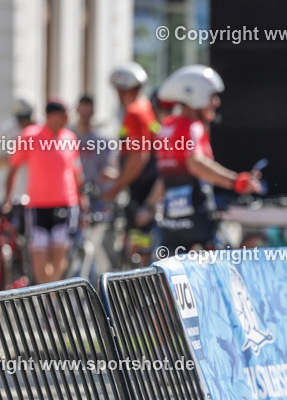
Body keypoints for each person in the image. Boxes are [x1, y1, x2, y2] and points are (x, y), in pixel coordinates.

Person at [155, 65, 262, 253]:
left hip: (171, 229)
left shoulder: (166, 128)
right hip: (198, 231)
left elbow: (165, 177)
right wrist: (235, 181)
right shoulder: (192, 127)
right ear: (196, 95)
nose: (216, 102)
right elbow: (195, 163)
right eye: (212, 96)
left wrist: (148, 207)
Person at [3, 99, 86, 285]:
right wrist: (7, 200)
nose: (66, 120)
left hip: (65, 205)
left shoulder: (70, 138)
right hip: (37, 206)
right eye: (63, 116)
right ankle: (48, 299)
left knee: (58, 260)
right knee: (40, 263)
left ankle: (52, 306)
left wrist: (83, 202)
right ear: (51, 116)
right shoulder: (30, 136)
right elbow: (13, 168)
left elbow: (76, 173)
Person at [105, 62, 162, 262]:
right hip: (146, 184)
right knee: (142, 246)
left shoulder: (134, 112)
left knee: (139, 250)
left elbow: (139, 156)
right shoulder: (145, 108)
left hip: (141, 188)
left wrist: (117, 187)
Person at [72, 94, 112, 214]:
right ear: (77, 110)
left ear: (93, 112)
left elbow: (107, 168)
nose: (85, 115)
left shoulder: (102, 142)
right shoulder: (68, 138)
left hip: (95, 193)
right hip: (72, 193)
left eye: (88, 112)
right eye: (83, 111)